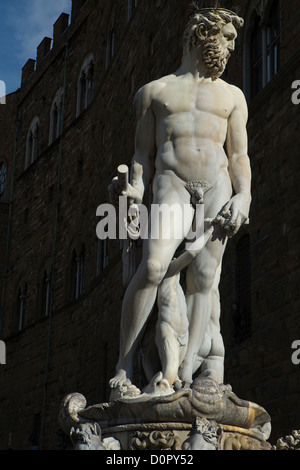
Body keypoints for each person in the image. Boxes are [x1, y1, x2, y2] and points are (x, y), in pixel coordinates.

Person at [109, 6, 251, 395]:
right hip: (172, 183)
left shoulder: (233, 96)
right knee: (154, 267)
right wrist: (133, 191)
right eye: (227, 37)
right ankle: (123, 366)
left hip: (218, 185)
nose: (232, 46)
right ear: (203, 34)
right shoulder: (154, 92)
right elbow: (142, 156)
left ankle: (184, 376)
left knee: (204, 279)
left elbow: (239, 155)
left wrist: (244, 195)